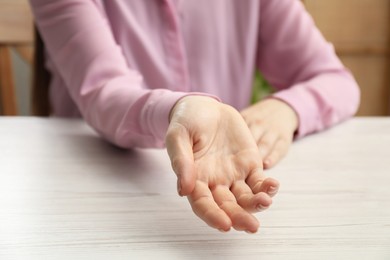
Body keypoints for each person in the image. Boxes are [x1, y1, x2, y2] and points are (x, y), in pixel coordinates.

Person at [29, 0, 360, 233]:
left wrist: (288, 109)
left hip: (222, 178)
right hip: (88, 201)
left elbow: (337, 81)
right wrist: (179, 109)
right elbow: (105, 92)